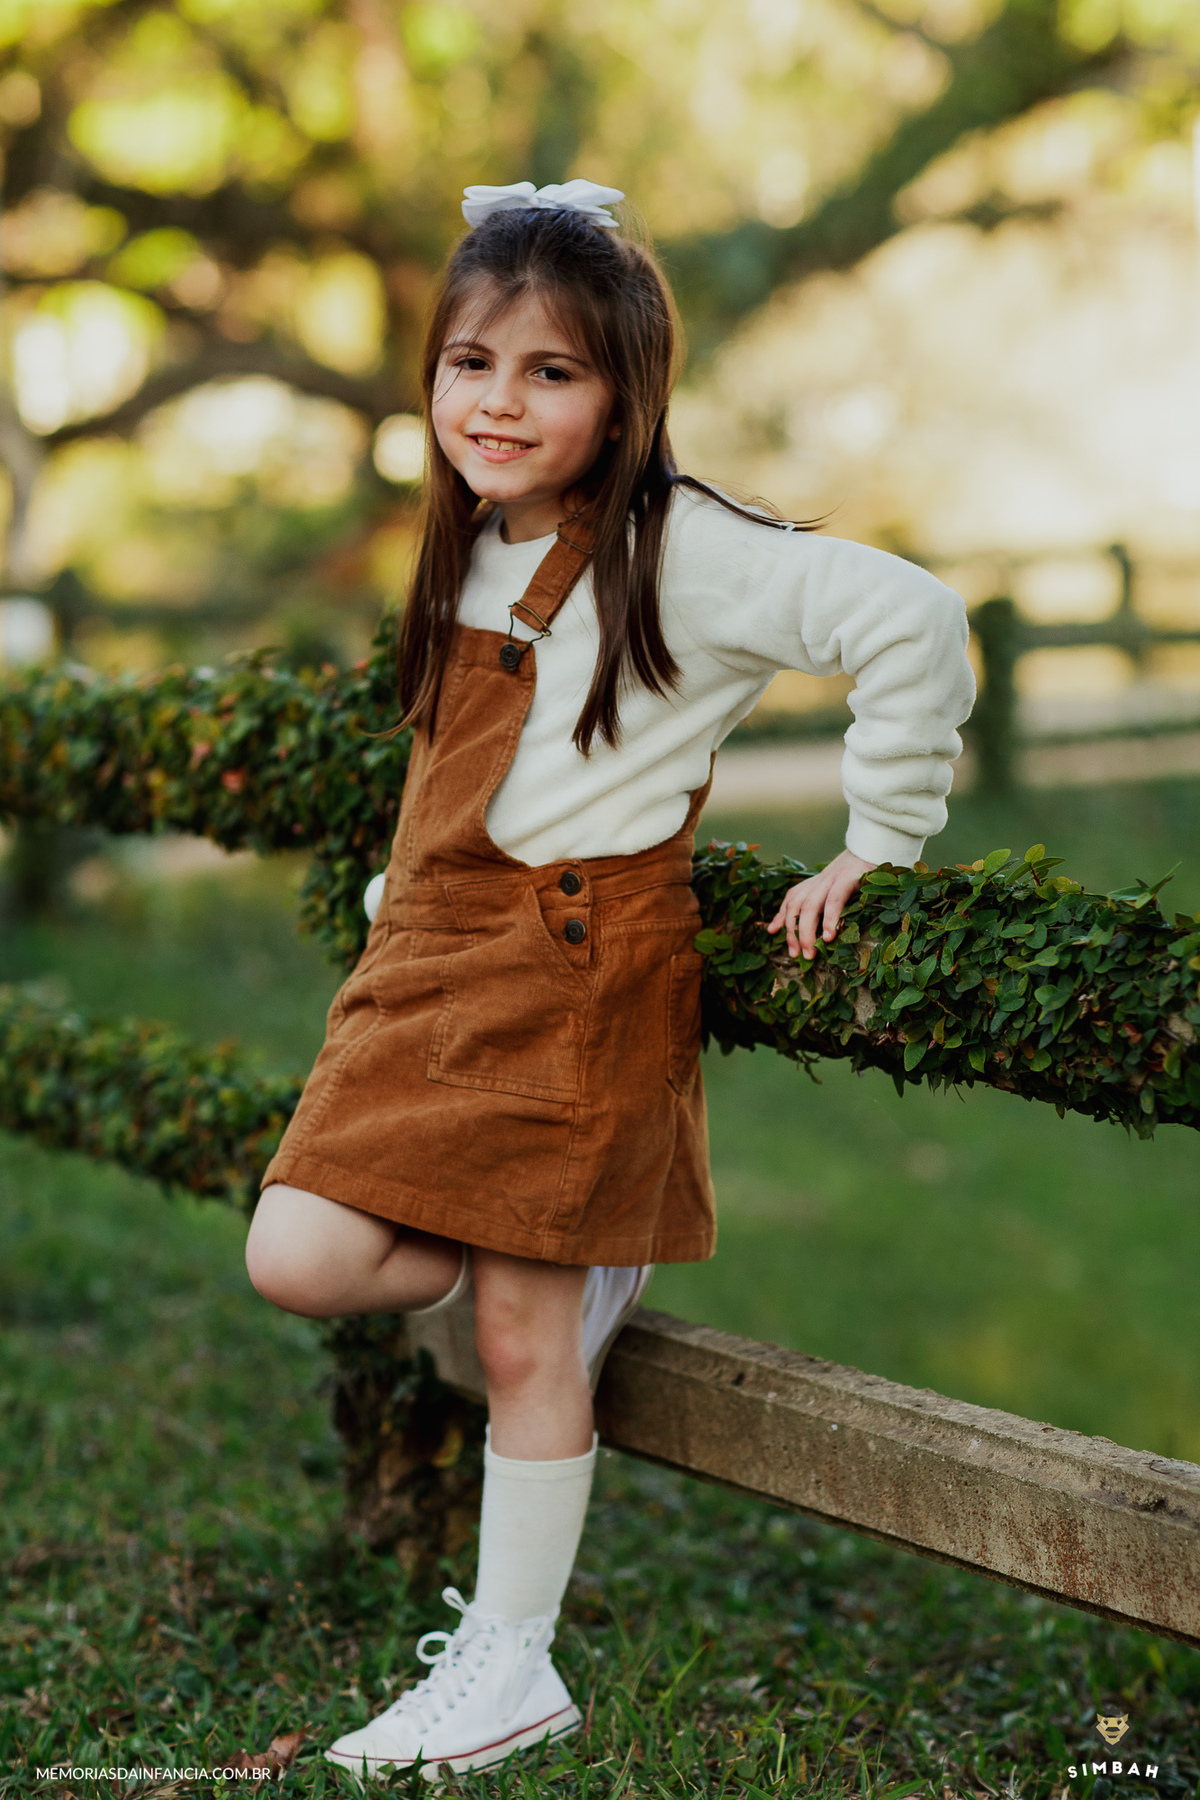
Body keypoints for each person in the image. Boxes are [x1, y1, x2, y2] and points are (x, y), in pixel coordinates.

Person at [244, 176, 975, 1783]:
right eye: (470, 363)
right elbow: (467, 769)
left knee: (522, 1349)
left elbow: (909, 615)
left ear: (625, 389)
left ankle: (509, 1667)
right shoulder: (470, 542)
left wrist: (880, 836)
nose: (499, 402)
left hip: (574, 977)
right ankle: (565, 1248)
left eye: (550, 371)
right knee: (297, 1250)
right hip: (436, 966)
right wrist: (401, 893)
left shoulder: (677, 545)